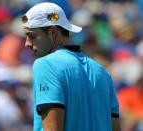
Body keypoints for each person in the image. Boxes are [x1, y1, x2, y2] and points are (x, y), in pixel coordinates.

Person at [22, 2, 120, 131]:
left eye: (32, 36)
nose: (27, 44)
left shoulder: (45, 65)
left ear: (53, 32)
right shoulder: (102, 72)